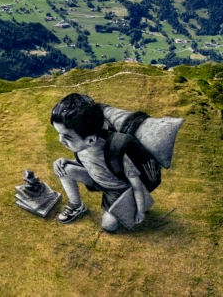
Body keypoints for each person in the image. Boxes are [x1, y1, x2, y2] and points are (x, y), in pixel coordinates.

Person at [50, 93, 151, 232]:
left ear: (90, 140)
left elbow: (136, 186)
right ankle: (76, 205)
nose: (60, 140)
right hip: (96, 180)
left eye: (67, 137)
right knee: (65, 169)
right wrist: (66, 161)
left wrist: (140, 211)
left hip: (118, 190)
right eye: (59, 134)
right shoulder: (82, 147)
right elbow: (89, 164)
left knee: (108, 225)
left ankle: (129, 207)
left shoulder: (116, 151)